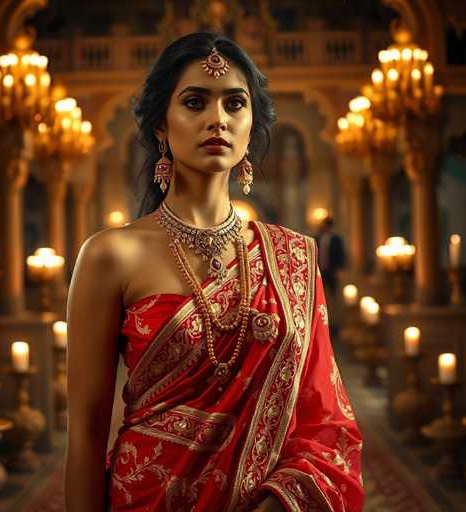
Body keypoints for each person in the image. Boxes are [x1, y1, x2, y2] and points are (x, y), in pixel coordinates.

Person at [65, 32, 363, 512]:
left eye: (235, 104)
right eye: (195, 102)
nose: (217, 120)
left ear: (250, 125)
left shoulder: (293, 258)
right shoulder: (109, 255)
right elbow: (84, 433)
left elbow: (327, 423)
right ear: (162, 124)